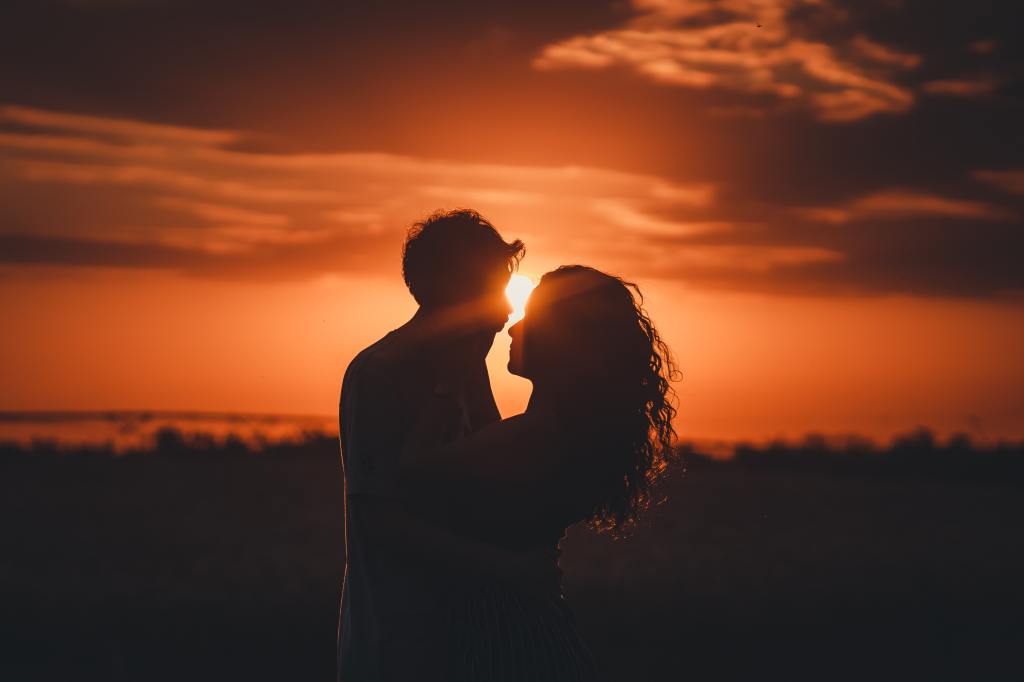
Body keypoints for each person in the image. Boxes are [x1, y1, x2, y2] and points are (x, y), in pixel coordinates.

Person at [397, 264, 679, 681]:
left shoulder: (535, 433)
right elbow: (484, 435)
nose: (512, 329)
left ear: (562, 340)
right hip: (527, 631)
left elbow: (411, 473)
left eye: (532, 319)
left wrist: (444, 380)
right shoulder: (559, 429)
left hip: (506, 639)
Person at [337, 209, 554, 681]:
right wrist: (510, 569)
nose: (507, 311)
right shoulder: (382, 372)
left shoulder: (461, 367)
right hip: (399, 645)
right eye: (493, 290)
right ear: (453, 289)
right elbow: (378, 520)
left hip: (461, 641)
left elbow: (494, 473)